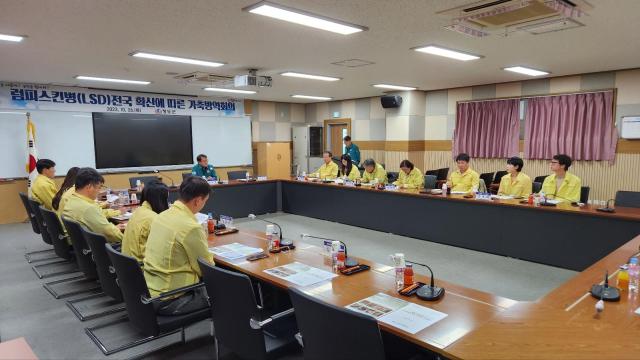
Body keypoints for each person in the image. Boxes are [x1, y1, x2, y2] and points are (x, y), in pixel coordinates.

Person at [143, 176, 214, 315]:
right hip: (170, 299)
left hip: (148, 290)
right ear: (197, 200)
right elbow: (206, 268)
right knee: (229, 292)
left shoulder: (162, 216)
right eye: (205, 201)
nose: (203, 205)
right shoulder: (190, 227)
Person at [62, 167, 125, 244]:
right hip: (94, 249)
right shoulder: (88, 208)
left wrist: (113, 229)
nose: (99, 191)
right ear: (89, 187)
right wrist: (129, 239)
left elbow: (102, 227)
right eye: (99, 187)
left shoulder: (72, 199)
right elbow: (111, 235)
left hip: (80, 245)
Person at [122, 181, 169, 262]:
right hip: (141, 266)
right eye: (166, 199)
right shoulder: (153, 218)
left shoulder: (138, 210)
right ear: (160, 200)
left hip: (126, 263)